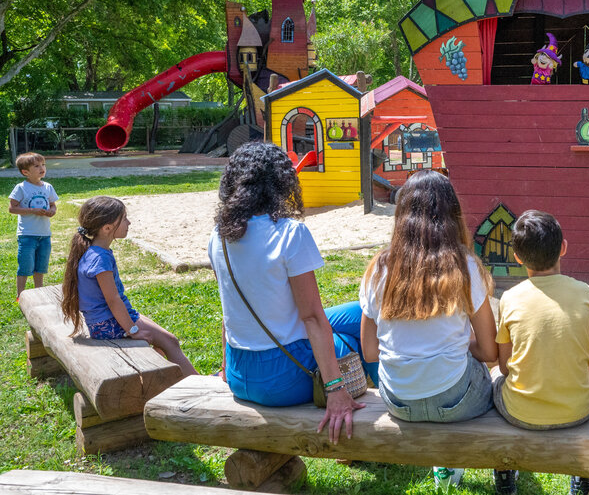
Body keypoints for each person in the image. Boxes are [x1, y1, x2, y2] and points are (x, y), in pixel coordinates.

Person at [208, 142, 372, 443]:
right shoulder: (289, 233)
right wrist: (334, 388)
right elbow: (311, 317)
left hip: (239, 370)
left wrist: (224, 368)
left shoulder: (218, 236)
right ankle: (373, 415)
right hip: (282, 378)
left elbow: (228, 309)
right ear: (281, 181)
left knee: (363, 312)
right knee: (356, 333)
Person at [359, 169, 498, 491]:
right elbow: (490, 352)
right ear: (453, 215)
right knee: (489, 377)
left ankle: (444, 465)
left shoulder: (380, 267)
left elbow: (369, 351)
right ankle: (469, 466)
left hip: (399, 400)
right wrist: (462, 346)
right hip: (457, 399)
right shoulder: (465, 266)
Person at [492, 210, 589, 495]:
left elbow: (505, 367)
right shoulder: (586, 293)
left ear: (517, 257)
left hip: (520, 412)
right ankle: (583, 473)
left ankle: (504, 473)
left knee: (493, 375)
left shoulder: (509, 298)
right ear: (563, 247)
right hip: (578, 412)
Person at [60, 196, 197, 376]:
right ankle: (200, 386)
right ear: (107, 228)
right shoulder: (100, 258)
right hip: (108, 324)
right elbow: (113, 299)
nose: (129, 222)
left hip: (106, 321)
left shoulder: (95, 252)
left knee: (166, 343)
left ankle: (181, 381)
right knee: (169, 342)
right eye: (124, 218)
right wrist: (132, 331)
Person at [8, 152, 58, 299]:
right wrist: (32, 211)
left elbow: (53, 205)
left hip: (44, 234)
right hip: (27, 235)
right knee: (25, 266)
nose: (42, 168)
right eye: (36, 166)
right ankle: (20, 295)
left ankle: (39, 292)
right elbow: (12, 208)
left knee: (40, 267)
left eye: (43, 165)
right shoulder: (21, 188)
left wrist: (51, 212)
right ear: (25, 172)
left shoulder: (48, 187)